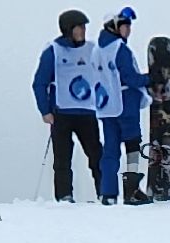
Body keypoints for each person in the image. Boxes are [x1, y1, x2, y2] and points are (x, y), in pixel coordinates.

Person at [33, 9, 103, 202]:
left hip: (87, 111)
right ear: (67, 29)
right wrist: (45, 110)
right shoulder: (53, 51)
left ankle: (105, 193)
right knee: (62, 159)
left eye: (84, 27)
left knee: (97, 155)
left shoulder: (93, 49)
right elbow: (40, 82)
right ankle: (64, 196)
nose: (83, 30)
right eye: (79, 27)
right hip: (61, 112)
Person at [93, 7, 152, 205]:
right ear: (114, 27)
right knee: (132, 143)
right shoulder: (120, 48)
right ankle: (132, 190)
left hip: (106, 105)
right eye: (125, 26)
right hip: (126, 102)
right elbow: (131, 78)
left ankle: (108, 193)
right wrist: (152, 78)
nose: (129, 30)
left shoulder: (97, 50)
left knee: (110, 149)